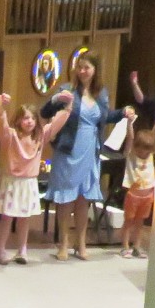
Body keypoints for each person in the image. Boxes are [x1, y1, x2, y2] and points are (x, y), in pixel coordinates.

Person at [40, 53, 131, 262]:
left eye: (86, 67)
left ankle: (80, 243)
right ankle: (63, 242)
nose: (82, 71)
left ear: (95, 70)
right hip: (69, 150)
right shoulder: (67, 90)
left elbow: (105, 117)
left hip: (90, 150)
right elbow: (46, 111)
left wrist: (123, 112)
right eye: (79, 67)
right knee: (65, 198)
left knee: (83, 199)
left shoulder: (102, 94)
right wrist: (56, 100)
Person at [0, 96, 53, 265]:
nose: (29, 121)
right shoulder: (11, 136)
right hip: (13, 182)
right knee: (7, 218)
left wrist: (65, 106)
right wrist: (2, 106)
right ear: (18, 120)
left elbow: (54, 125)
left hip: (29, 183)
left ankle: (22, 250)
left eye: (32, 118)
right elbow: (0, 124)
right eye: (25, 117)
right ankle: (1, 250)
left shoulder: (38, 138)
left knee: (25, 219)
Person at [119, 118, 155, 259]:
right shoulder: (131, 155)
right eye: (142, 148)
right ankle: (125, 246)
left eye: (148, 149)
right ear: (136, 147)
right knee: (129, 221)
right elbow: (130, 137)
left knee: (140, 222)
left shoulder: (150, 157)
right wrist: (130, 123)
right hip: (133, 195)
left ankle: (137, 246)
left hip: (147, 195)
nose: (145, 152)